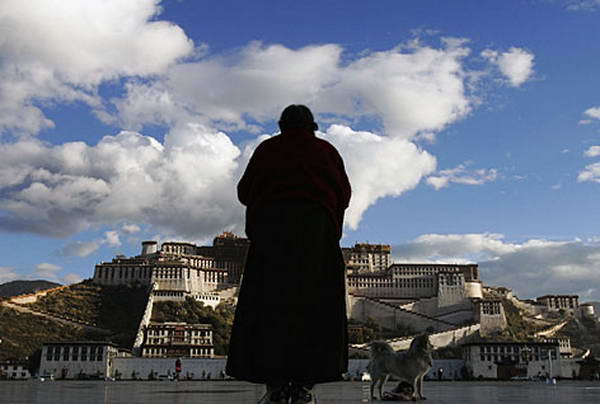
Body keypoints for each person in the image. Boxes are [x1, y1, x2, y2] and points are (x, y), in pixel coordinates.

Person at [226, 105, 352, 404]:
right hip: (316, 235)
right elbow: (344, 195)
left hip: (272, 235)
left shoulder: (268, 149)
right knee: (315, 307)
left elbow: (244, 192)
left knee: (271, 306)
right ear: (313, 126)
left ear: (282, 125)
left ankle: (275, 383)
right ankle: (306, 383)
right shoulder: (326, 151)